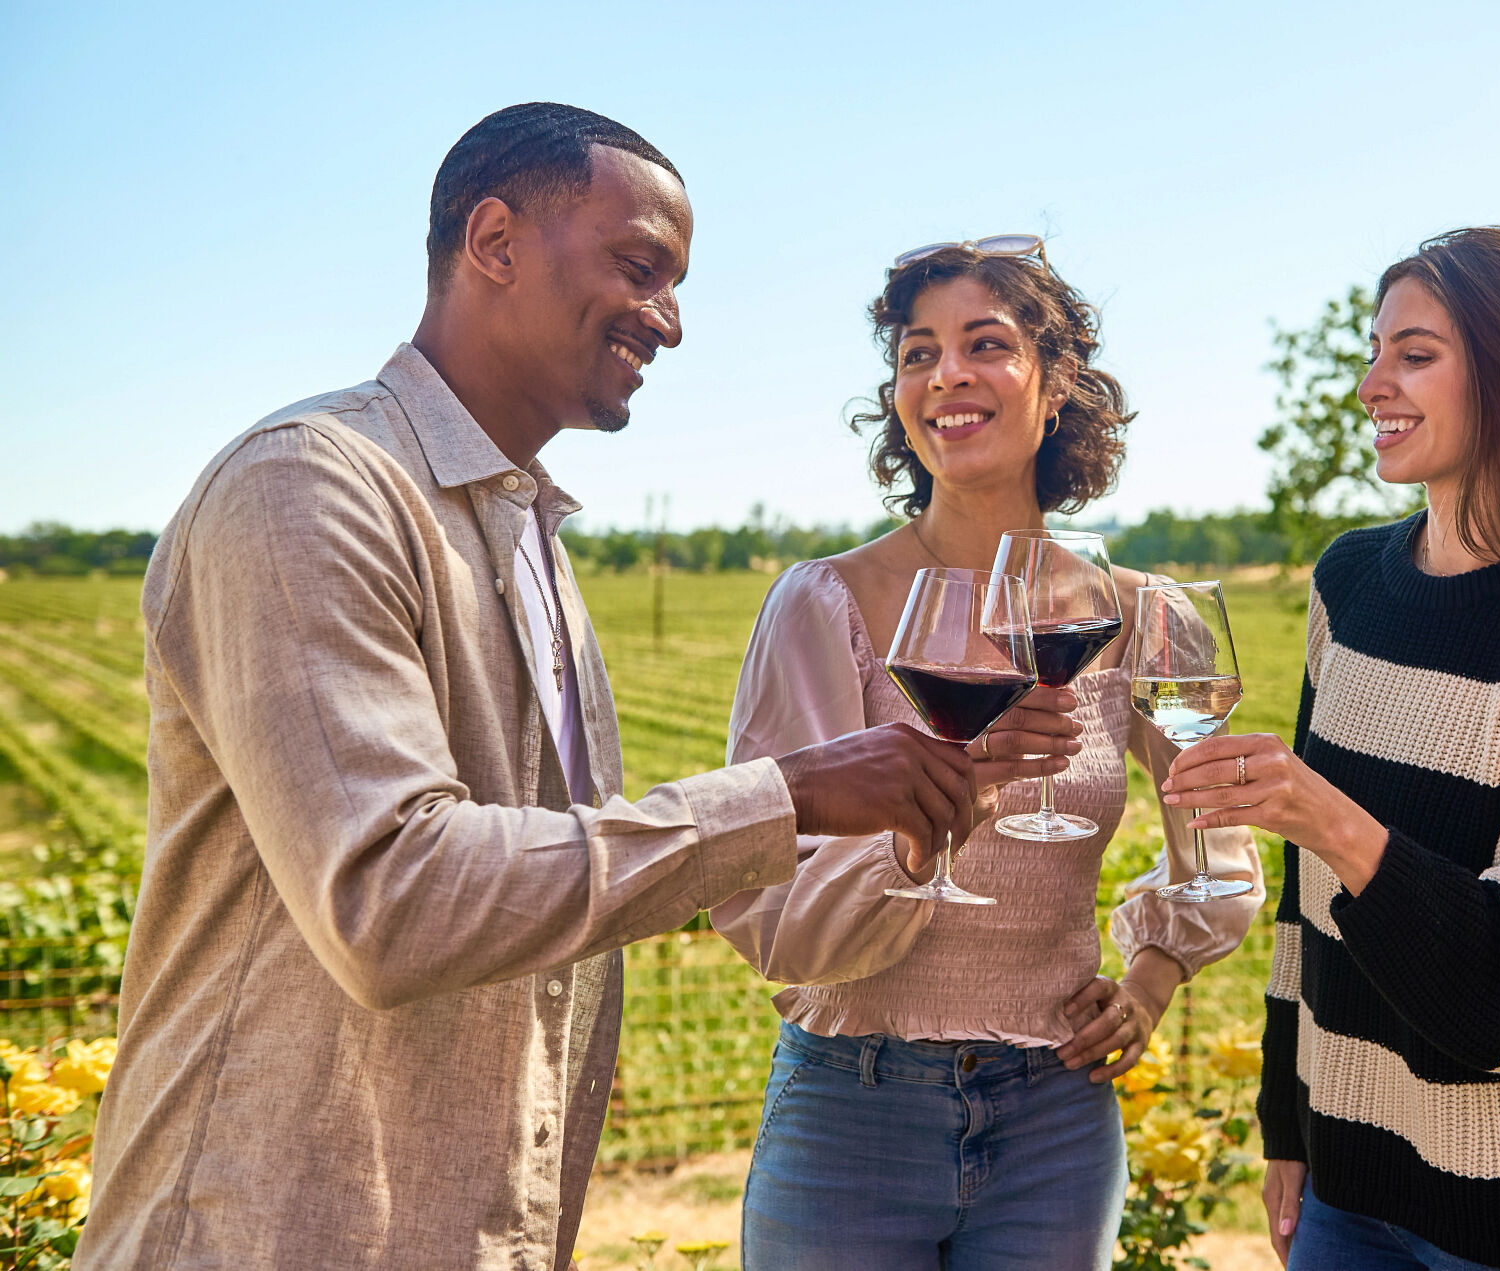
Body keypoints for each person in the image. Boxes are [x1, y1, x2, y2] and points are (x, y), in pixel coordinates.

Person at [76, 103, 971, 1271]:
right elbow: (394, 901)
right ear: (492, 242)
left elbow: (535, 890)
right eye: (640, 267)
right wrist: (782, 798)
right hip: (271, 1227)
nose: (672, 321)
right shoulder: (308, 487)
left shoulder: (529, 535)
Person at [1159, 227, 1500, 1271]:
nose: (1372, 385)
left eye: (1413, 355)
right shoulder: (1351, 588)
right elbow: (1305, 907)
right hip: (1350, 1190)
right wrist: (1287, 1119)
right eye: (1373, 353)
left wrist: (1325, 817)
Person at [710, 239, 1265, 1269]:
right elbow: (771, 922)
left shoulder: (1144, 616)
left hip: (1056, 1117)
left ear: (1053, 388)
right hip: (852, 1109)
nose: (945, 375)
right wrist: (947, 806)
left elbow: (1218, 846)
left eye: (984, 344)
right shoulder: (824, 604)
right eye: (917, 354)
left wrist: (1148, 979)